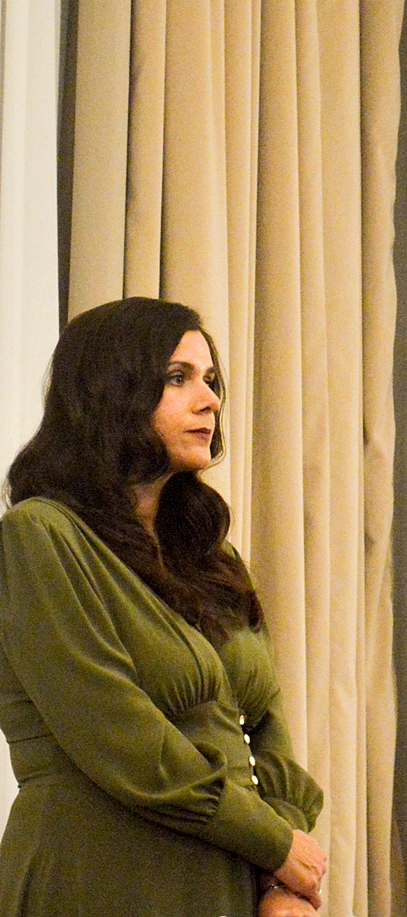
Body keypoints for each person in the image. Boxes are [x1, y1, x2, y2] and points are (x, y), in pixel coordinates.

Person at [0, 297, 328, 917]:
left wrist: (281, 881)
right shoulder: (38, 536)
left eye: (211, 381)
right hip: (99, 875)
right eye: (178, 379)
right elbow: (121, 738)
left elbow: (269, 720)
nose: (208, 399)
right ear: (108, 392)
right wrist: (274, 842)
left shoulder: (210, 552)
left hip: (227, 878)